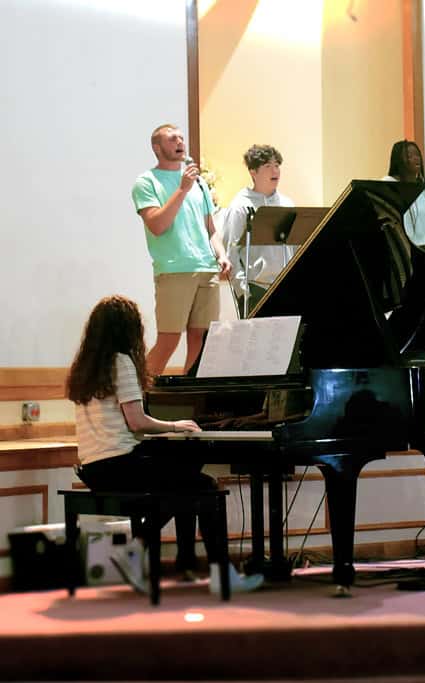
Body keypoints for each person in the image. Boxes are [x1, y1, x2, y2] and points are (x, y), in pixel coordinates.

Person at [66, 295, 262, 595]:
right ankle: (222, 576)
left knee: (188, 479)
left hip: (95, 468)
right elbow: (137, 422)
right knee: (204, 486)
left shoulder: (86, 368)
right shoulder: (121, 362)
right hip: (120, 465)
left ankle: (151, 554)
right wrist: (175, 425)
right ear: (127, 329)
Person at [131, 124, 231, 376]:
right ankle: (138, 397)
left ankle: (190, 399)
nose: (179, 141)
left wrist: (222, 254)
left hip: (206, 268)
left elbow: (211, 229)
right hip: (175, 270)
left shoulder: (199, 184)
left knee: (202, 340)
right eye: (172, 138)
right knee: (169, 340)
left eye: (181, 138)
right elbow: (157, 225)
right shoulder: (146, 182)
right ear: (157, 147)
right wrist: (182, 189)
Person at [220, 144, 295, 314]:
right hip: (256, 289)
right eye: (268, 166)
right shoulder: (240, 206)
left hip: (287, 287)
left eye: (277, 166)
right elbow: (231, 251)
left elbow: (296, 247)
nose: (274, 171)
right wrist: (243, 291)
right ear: (253, 172)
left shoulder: (287, 204)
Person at [383, 140, 425, 255]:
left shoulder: (424, 188)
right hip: (405, 248)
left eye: (417, 155)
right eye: (409, 156)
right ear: (398, 160)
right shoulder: (389, 184)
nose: (416, 158)